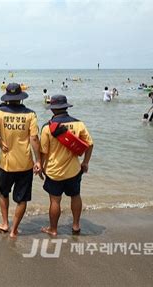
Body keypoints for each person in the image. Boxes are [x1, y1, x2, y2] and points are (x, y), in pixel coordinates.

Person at [0, 83, 43, 238]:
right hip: (25, 164)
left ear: (7, 98)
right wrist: (38, 161)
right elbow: (34, 138)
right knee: (22, 199)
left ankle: (5, 223)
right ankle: (14, 231)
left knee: (3, 193)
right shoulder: (31, 115)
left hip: (6, 163)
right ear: (21, 98)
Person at [39, 95, 94, 236]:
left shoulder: (47, 128)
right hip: (74, 171)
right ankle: (76, 226)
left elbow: (43, 152)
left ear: (52, 109)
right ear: (66, 107)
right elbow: (90, 144)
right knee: (75, 196)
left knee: (55, 200)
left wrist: (41, 167)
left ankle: (53, 229)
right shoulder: (79, 124)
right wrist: (86, 162)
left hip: (54, 172)